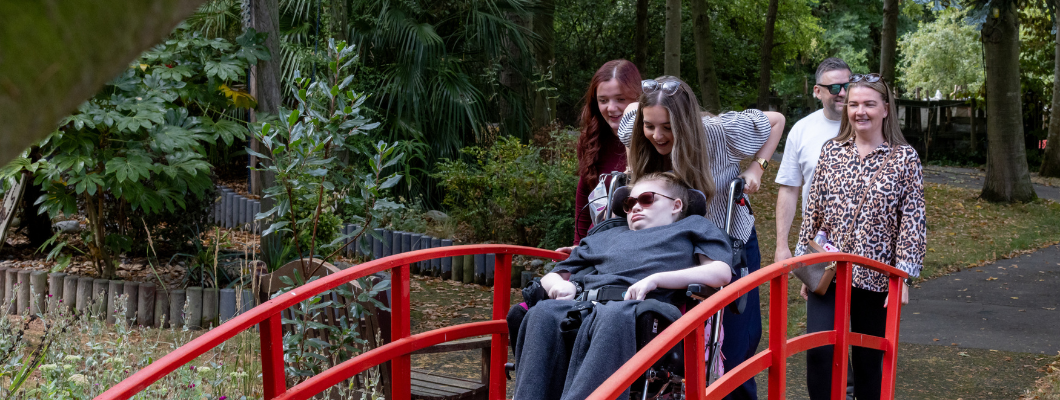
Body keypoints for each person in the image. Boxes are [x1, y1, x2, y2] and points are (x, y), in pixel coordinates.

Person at [617, 76, 784, 400]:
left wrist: (757, 167)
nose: (657, 135)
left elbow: (776, 121)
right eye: (650, 126)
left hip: (725, 240)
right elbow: (631, 113)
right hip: (669, 249)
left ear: (686, 122)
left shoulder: (721, 132)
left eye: (667, 127)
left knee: (733, 346)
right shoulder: (636, 125)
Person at [513, 172, 733, 400]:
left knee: (614, 316)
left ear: (676, 205)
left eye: (647, 199)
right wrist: (559, 285)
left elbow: (720, 272)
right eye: (629, 203)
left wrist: (657, 279)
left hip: (643, 305)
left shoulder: (694, 227)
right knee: (542, 312)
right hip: (586, 304)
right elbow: (551, 276)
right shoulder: (605, 235)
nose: (636, 207)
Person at [795, 73, 925, 400]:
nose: (860, 111)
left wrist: (902, 278)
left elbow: (912, 222)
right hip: (829, 271)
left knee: (869, 362)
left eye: (869, 104)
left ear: (885, 109)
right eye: (853, 104)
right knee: (820, 352)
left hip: (876, 276)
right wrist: (805, 265)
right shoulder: (832, 151)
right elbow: (814, 210)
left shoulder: (904, 158)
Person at [773, 58, 856, 399]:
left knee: (865, 344)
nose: (843, 93)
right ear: (817, 91)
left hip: (866, 252)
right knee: (821, 345)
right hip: (822, 249)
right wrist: (782, 245)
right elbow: (789, 188)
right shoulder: (803, 130)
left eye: (848, 84)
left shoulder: (869, 123)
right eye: (834, 87)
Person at [572, 60, 643, 245]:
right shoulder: (591, 140)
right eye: (603, 100)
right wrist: (577, 246)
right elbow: (585, 191)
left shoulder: (655, 140)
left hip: (640, 244)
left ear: (638, 99)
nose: (611, 108)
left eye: (621, 99)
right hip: (597, 241)